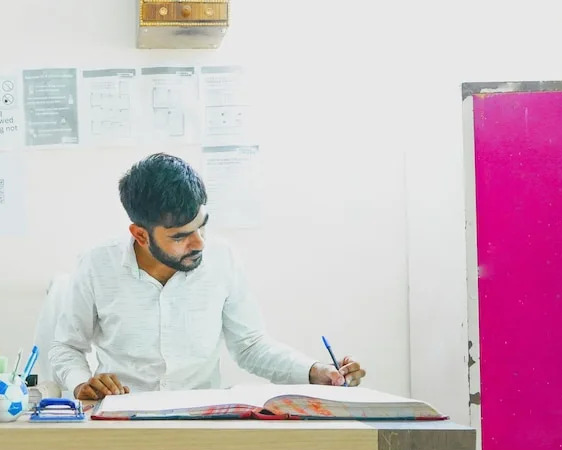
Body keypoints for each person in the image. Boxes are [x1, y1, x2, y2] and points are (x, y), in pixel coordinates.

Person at [48, 153, 367, 401]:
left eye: (202, 226)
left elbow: (250, 346)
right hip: (121, 419)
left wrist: (315, 372)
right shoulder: (96, 265)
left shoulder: (222, 258)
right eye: (180, 236)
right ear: (141, 235)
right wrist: (81, 384)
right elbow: (66, 347)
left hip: (201, 420)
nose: (199, 243)